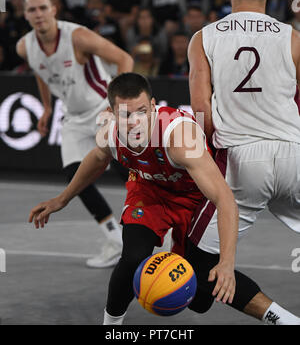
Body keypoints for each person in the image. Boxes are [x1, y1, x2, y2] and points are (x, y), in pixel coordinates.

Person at [28, 72, 239, 325]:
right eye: (126, 115)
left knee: (199, 301)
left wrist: (227, 262)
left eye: (142, 111)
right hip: (148, 190)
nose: (135, 121)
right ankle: (111, 327)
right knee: (132, 258)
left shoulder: (180, 138)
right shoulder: (110, 133)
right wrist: (62, 199)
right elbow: (97, 159)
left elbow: (225, 199)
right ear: (113, 113)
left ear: (153, 106)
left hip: (193, 197)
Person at [188, 0, 300, 325]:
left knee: (199, 262)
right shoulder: (293, 38)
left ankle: (282, 319)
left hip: (241, 160)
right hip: (293, 156)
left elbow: (202, 113)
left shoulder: (203, 39)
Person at [16, 0, 134, 268]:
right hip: (72, 116)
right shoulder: (25, 46)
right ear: (25, 14)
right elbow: (41, 72)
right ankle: (113, 239)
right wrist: (46, 107)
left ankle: (159, 229)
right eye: (32, 9)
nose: (39, 14)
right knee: (75, 176)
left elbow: (123, 59)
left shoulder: (77, 36)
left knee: (126, 171)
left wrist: (122, 106)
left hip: (102, 108)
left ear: (54, 9)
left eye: (43, 7)